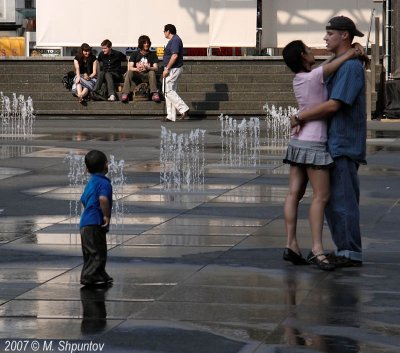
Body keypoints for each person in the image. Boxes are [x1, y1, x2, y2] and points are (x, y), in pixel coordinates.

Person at [289, 16, 367, 267]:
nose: (325, 38)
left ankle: (350, 252)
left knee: (343, 200)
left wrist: (300, 116)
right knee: (334, 200)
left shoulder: (351, 68)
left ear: (344, 35)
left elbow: (335, 104)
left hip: (343, 142)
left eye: (330, 33)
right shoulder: (341, 62)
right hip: (333, 142)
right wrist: (356, 51)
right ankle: (344, 249)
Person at [80, 150, 113, 286]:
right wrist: (106, 215)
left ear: (87, 169)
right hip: (94, 224)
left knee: (92, 252)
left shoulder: (91, 183)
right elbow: (103, 199)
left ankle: (100, 274)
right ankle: (89, 276)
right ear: (106, 165)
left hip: (85, 223)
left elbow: (83, 200)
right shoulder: (104, 183)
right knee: (97, 253)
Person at [162, 24, 190, 122]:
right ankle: (171, 116)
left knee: (168, 90)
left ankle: (183, 108)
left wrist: (167, 69)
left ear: (168, 31)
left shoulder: (175, 40)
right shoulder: (174, 40)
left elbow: (174, 55)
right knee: (169, 91)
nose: (164, 33)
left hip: (173, 68)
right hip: (172, 68)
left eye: (164, 31)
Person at [121, 35, 160, 103]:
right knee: (129, 72)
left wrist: (148, 67)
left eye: (148, 43)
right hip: (137, 76)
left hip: (147, 76)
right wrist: (137, 69)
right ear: (141, 44)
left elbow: (156, 68)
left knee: (152, 72)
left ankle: (154, 93)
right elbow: (130, 67)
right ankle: (125, 93)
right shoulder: (135, 54)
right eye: (144, 43)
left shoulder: (152, 54)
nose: (146, 44)